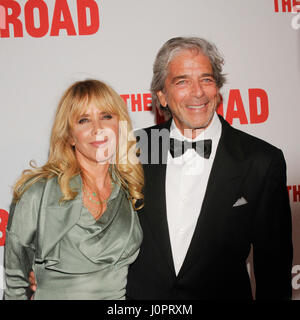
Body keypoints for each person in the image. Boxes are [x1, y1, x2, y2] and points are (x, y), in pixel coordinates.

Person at [126, 37, 293, 299]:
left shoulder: (259, 160)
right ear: (162, 96)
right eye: (182, 81)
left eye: (206, 79)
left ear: (217, 88)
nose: (198, 92)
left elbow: (273, 270)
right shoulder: (135, 148)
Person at [4, 79, 144, 300]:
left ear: (120, 124)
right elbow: (15, 283)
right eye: (84, 120)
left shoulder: (130, 189)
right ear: (69, 135)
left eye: (106, 116)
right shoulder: (38, 194)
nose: (98, 128)